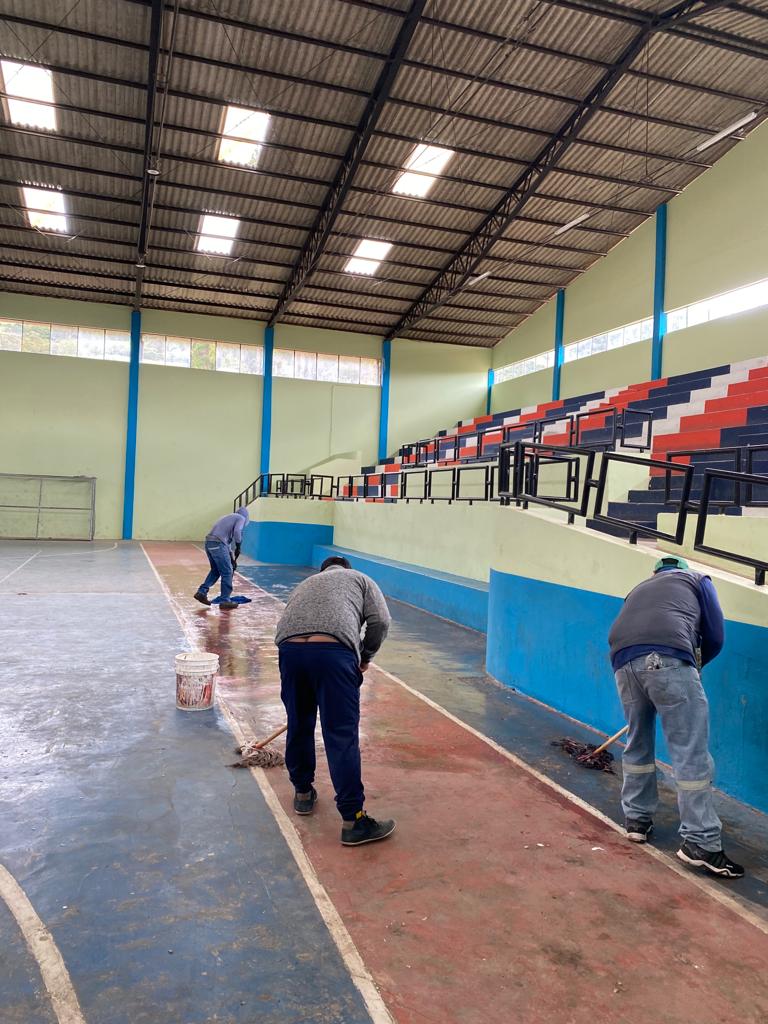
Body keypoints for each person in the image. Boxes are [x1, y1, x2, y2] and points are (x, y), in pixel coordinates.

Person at [608, 554, 743, 879]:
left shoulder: (639, 588)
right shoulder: (698, 580)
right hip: (669, 657)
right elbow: (715, 634)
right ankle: (701, 842)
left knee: (637, 741)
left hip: (623, 662)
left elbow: (624, 631)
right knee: (689, 750)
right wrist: (694, 665)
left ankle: (636, 819)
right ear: (682, 569)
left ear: (655, 573)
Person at [275, 556, 395, 847]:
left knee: (299, 723)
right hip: (333, 652)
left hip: (290, 652)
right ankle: (354, 820)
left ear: (323, 571)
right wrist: (365, 656)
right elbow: (381, 621)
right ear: (347, 570)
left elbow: (288, 620)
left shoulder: (306, 583)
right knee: (340, 733)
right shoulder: (360, 579)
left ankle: (303, 793)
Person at [194, 507, 249, 610]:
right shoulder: (241, 518)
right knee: (227, 572)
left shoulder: (227, 518)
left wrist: (232, 559)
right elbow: (237, 532)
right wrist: (238, 545)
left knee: (215, 571)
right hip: (218, 544)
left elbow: (226, 543)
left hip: (209, 543)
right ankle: (225, 600)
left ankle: (202, 592)